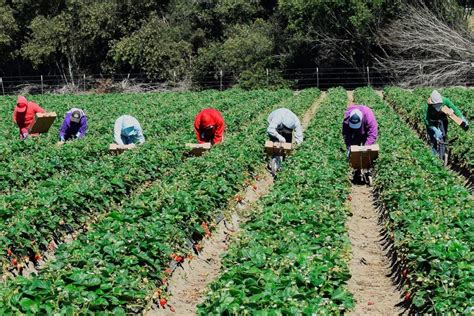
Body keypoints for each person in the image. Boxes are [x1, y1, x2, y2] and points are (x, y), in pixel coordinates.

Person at [423, 90, 469, 155]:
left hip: (442, 119)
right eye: (436, 105)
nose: (438, 106)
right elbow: (426, 120)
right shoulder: (427, 106)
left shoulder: (445, 100)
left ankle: (442, 153)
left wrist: (461, 117)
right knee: (433, 139)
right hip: (432, 122)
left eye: (439, 104)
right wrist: (434, 129)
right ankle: (434, 155)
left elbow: (455, 109)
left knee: (443, 136)